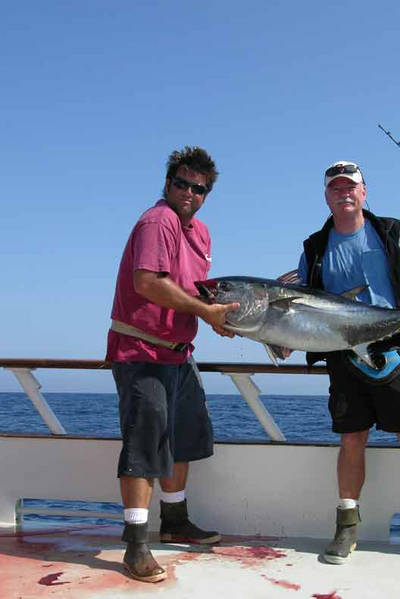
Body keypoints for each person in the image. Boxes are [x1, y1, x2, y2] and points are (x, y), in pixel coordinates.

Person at [296, 161, 400, 565]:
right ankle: (346, 528)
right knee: (351, 438)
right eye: (336, 188)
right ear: (326, 196)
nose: (344, 193)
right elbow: (303, 306)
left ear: (365, 192)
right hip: (343, 352)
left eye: (351, 187)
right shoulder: (314, 246)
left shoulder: (393, 232)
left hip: (394, 347)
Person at [106, 146, 238, 583]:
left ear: (207, 195)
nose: (189, 192)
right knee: (144, 447)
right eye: (181, 183)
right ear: (167, 184)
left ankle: (176, 520)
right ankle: (136, 544)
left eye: (199, 188)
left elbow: (193, 293)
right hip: (142, 351)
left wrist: (217, 316)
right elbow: (148, 283)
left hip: (180, 355)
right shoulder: (157, 220)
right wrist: (207, 313)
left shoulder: (200, 233)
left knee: (185, 438)